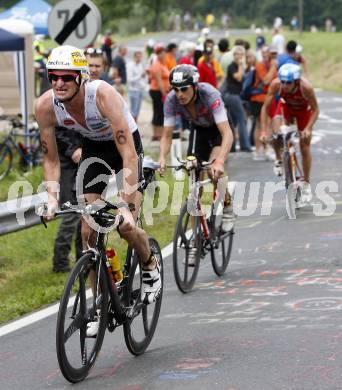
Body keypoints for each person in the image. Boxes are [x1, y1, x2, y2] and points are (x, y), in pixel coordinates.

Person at [34, 45, 162, 334]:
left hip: (127, 148)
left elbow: (128, 154)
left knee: (126, 227)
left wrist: (127, 207)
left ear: (81, 77)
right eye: (53, 76)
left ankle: (150, 265)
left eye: (66, 77)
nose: (58, 83)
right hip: (95, 151)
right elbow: (51, 158)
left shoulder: (102, 95)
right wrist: (51, 198)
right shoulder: (45, 106)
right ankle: (100, 301)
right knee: (87, 232)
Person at [159, 65, 235, 242]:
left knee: (213, 170)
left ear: (195, 86)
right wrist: (162, 157)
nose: (179, 94)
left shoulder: (209, 94)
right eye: (175, 89)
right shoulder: (171, 100)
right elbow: (166, 135)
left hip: (219, 129)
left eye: (184, 89)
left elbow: (227, 133)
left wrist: (220, 160)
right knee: (193, 177)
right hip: (198, 131)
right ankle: (196, 236)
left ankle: (228, 206)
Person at [260, 63, 319, 201]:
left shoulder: (306, 88)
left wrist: (308, 128)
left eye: (288, 82)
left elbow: (316, 109)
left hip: (304, 112)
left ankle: (306, 183)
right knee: (276, 133)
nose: (285, 85)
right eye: (283, 82)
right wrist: (263, 131)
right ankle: (279, 160)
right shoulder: (276, 84)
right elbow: (265, 108)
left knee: (305, 146)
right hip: (286, 108)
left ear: (297, 81)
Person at [52, 127, 83, 273]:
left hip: (82, 164)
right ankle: (60, 264)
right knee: (70, 215)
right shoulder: (57, 106)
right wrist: (73, 149)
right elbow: (56, 132)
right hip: (67, 165)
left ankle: (82, 259)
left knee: (84, 216)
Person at [249, 45, 278, 160]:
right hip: (258, 98)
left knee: (270, 123)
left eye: (269, 52)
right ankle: (258, 150)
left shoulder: (273, 65)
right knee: (260, 124)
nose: (267, 54)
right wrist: (272, 68)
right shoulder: (260, 65)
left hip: (270, 98)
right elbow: (265, 81)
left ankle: (267, 149)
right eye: (265, 52)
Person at [223, 45, 252, 152]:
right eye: (238, 54)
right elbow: (238, 77)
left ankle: (231, 146)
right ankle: (245, 145)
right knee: (242, 118)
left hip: (235, 95)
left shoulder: (239, 66)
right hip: (231, 95)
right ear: (234, 55)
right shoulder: (232, 66)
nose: (240, 56)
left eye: (242, 54)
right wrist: (240, 65)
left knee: (233, 121)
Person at [148, 44, 170, 141]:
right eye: (162, 53)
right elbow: (159, 81)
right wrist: (164, 94)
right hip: (157, 91)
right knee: (159, 112)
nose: (164, 54)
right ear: (158, 54)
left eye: (164, 52)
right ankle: (158, 134)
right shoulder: (156, 65)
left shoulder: (162, 63)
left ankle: (158, 133)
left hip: (160, 91)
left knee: (159, 112)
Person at [126, 51, 147, 122]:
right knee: (133, 111)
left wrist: (145, 86)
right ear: (134, 57)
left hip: (140, 90)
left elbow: (141, 79)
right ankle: (132, 129)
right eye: (137, 57)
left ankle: (135, 127)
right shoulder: (130, 65)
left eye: (140, 57)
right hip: (133, 90)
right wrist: (140, 76)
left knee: (137, 111)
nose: (139, 59)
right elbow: (129, 79)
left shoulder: (140, 65)